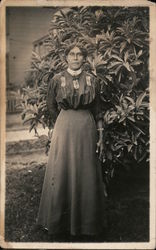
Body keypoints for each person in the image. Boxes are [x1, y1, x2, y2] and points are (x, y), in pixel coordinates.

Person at [37, 43, 107, 240]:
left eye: (79, 55)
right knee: (61, 171)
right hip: (64, 127)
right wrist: (62, 121)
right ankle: (60, 223)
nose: (76, 58)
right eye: (72, 54)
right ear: (66, 57)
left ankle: (87, 223)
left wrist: (101, 135)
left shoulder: (92, 81)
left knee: (86, 171)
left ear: (84, 58)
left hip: (86, 127)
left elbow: (98, 109)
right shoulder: (57, 80)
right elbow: (51, 106)